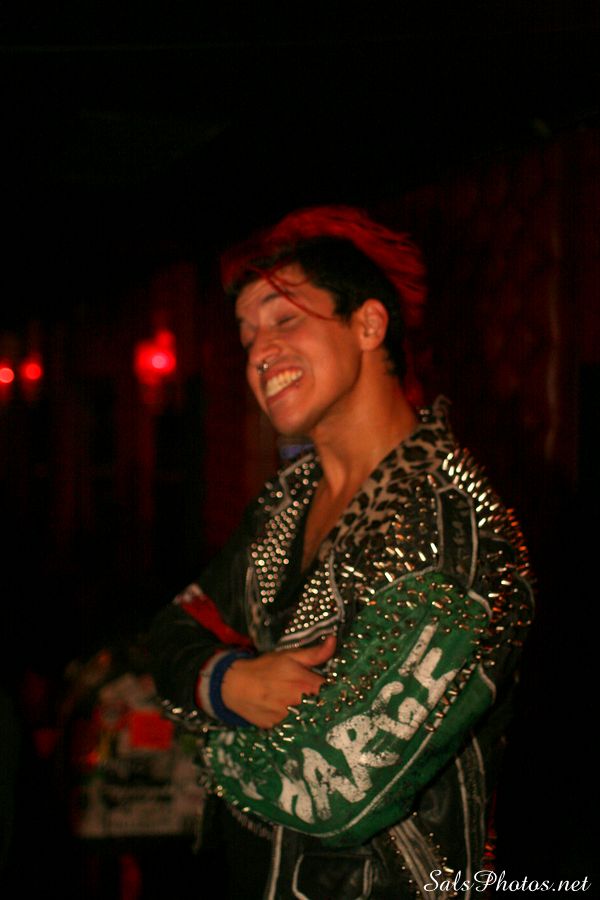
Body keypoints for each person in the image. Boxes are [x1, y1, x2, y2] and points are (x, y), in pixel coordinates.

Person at [147, 205, 534, 899]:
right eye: (247, 335)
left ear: (368, 324)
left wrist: (208, 736)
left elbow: (336, 790)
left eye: (284, 319)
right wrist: (228, 683)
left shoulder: (452, 529)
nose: (259, 352)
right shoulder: (285, 503)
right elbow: (172, 629)